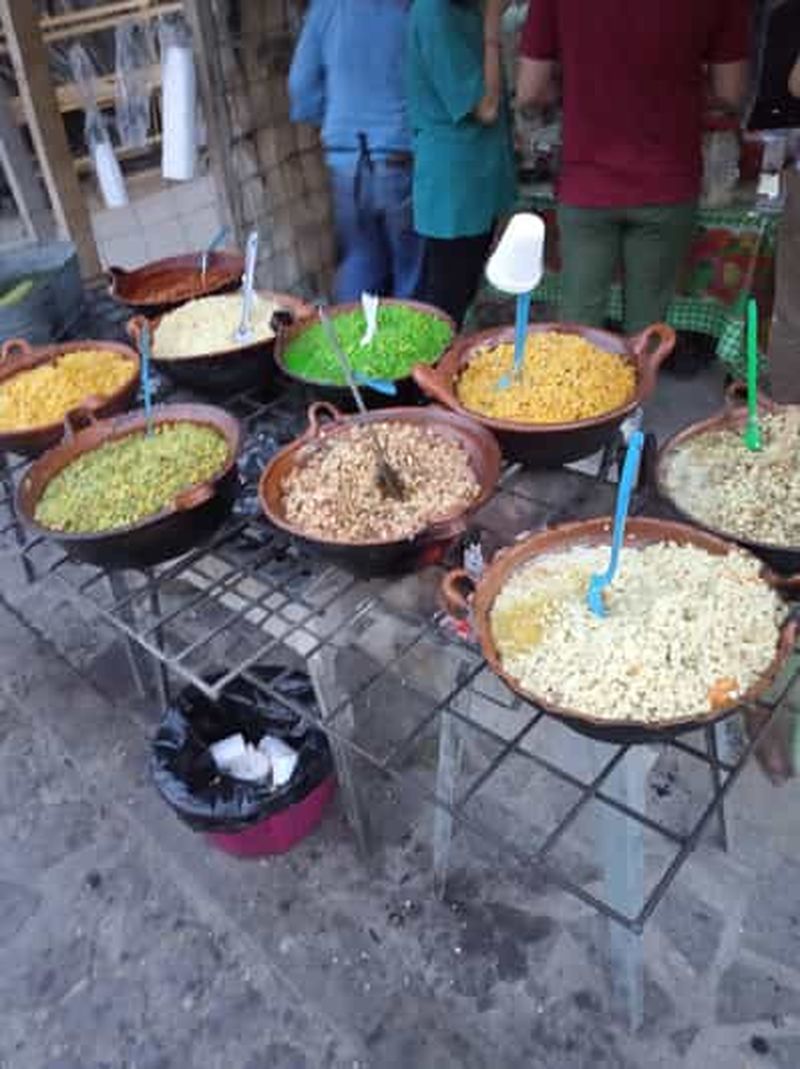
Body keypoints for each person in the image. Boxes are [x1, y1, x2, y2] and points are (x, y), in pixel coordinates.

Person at [517, 1, 751, 335]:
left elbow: (530, 91)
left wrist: (576, 88)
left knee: (577, 331)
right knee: (647, 333)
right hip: (668, 178)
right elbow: (730, 93)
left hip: (587, 178)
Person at [288, 0, 425, 302]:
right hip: (399, 156)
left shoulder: (326, 8)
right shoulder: (408, 7)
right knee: (409, 270)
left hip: (346, 161)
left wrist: (333, 121)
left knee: (361, 260)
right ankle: (410, 330)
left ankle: (347, 329)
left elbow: (300, 85)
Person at [407, 0, 516, 326]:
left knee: (463, 291)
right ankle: (431, 360)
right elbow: (486, 108)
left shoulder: (467, 10)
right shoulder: (435, 13)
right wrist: (493, 22)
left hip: (478, 181)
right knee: (444, 305)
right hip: (454, 189)